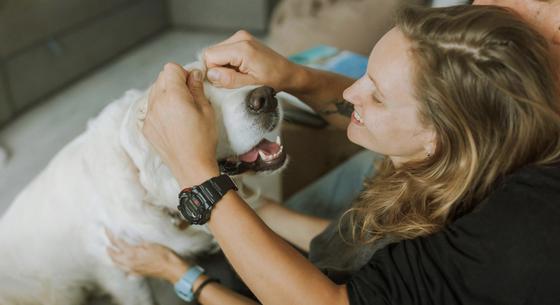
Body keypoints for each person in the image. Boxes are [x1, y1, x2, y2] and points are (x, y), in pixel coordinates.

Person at [106, 3, 560, 305]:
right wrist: (293, 77)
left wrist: (184, 267)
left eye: (377, 96)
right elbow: (352, 244)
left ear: (439, 140)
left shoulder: (513, 235)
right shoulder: (475, 149)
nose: (350, 91)